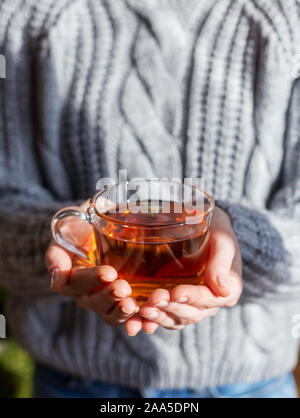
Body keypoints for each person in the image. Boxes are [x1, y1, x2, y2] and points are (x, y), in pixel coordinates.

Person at [0, 0, 299, 398]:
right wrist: (64, 247)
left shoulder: (285, 17)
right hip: (72, 382)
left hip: (249, 384)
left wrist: (236, 244)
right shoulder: (27, 15)